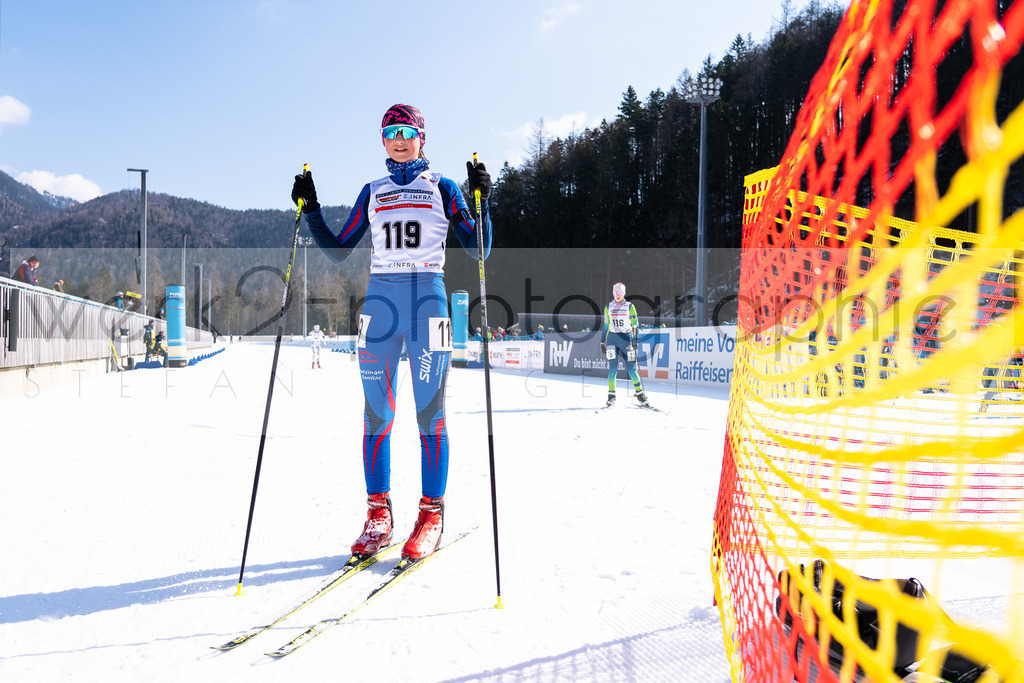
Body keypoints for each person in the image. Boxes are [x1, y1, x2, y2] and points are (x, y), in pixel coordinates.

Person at [291, 103, 492, 561]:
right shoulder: (373, 191)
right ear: (383, 141)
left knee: (431, 414)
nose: (399, 139)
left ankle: (431, 514)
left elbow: (480, 251)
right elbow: (341, 250)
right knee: (375, 415)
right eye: (390, 132)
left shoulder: (443, 187)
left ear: (423, 137)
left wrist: (484, 201)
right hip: (380, 302)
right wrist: (312, 209)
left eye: (408, 131)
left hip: (429, 302)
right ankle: (378, 516)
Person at [601, 282, 649, 407]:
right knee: (612, 369)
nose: (618, 295)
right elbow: (606, 325)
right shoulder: (608, 307)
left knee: (631, 369)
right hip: (612, 339)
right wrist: (602, 341)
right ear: (612, 293)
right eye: (616, 292)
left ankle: (640, 395)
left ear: (624, 293)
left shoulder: (630, 306)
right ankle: (611, 396)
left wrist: (635, 340)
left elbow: (635, 324)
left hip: (626, 339)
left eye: (620, 292)